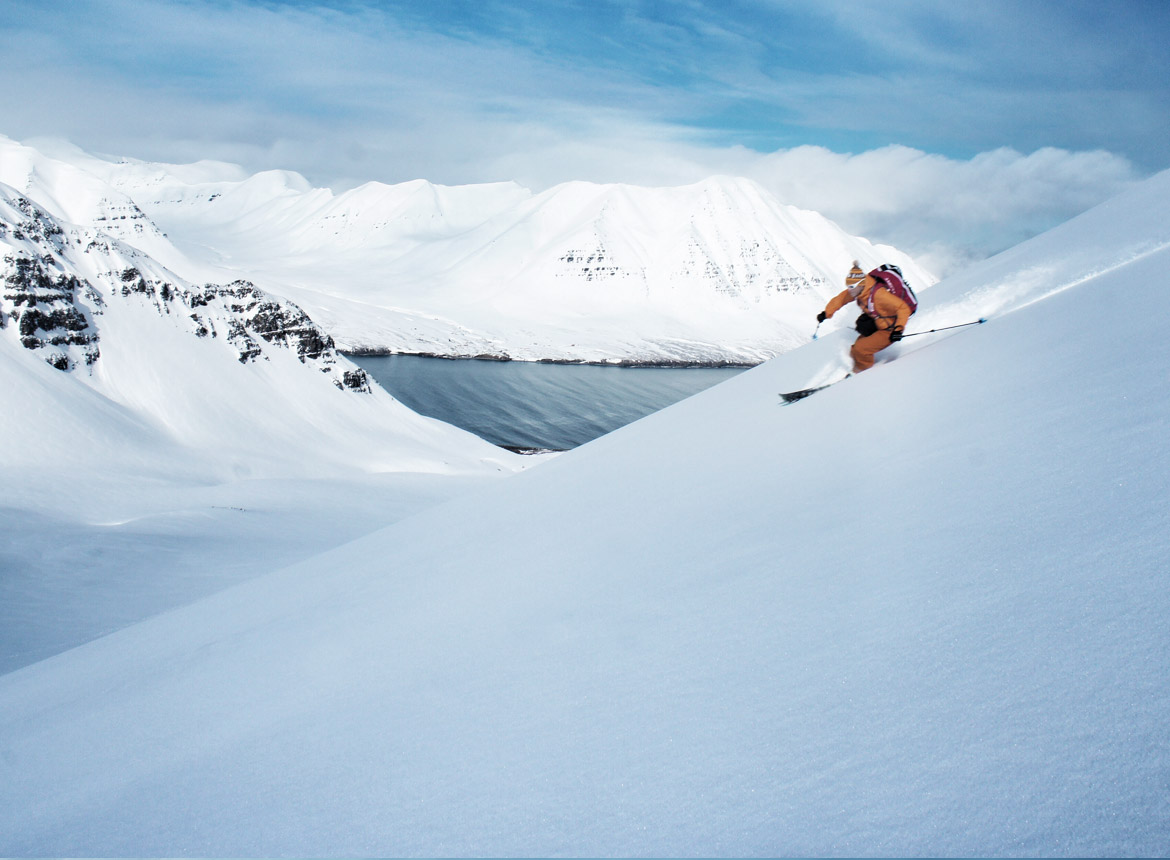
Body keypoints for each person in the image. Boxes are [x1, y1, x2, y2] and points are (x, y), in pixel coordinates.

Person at [817, 261, 914, 373]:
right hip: (879, 323)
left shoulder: (879, 294)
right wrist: (826, 313)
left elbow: (903, 308)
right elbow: (841, 298)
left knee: (861, 349)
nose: (850, 290)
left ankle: (863, 374)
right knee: (855, 349)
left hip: (890, 329)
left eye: (852, 287)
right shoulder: (858, 290)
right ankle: (855, 369)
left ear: (861, 284)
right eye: (848, 286)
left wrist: (898, 329)